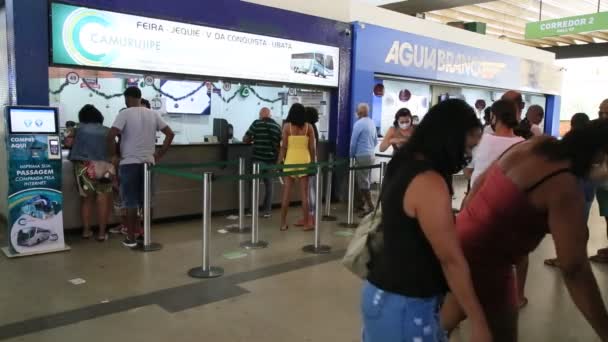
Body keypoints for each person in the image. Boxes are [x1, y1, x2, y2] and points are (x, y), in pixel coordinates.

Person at [441, 119, 608, 342]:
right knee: (485, 330)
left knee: (447, 324)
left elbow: (481, 181)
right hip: (485, 259)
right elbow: (574, 267)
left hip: (465, 240)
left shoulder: (536, 145)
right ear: (599, 157)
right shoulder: (565, 186)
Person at [362, 99, 491, 342]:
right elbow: (451, 260)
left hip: (382, 294)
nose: (467, 155)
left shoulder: (403, 163)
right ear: (450, 138)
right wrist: (479, 322)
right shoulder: (429, 181)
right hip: (405, 305)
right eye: (467, 147)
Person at [108, 87, 175, 247]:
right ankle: (146, 235)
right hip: (148, 164)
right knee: (148, 201)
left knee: (130, 202)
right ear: (140, 97)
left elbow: (110, 135)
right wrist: (159, 155)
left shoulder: (124, 113)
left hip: (129, 163)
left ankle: (131, 238)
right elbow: (170, 134)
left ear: (127, 98)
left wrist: (114, 156)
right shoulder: (153, 114)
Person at [545, 113, 594, 267]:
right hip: (588, 185)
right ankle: (580, 256)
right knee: (582, 223)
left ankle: (564, 258)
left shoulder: (569, 141)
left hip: (571, 185)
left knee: (566, 225)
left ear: (572, 124)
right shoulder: (592, 142)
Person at [67, 105, 113, 242]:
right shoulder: (107, 130)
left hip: (84, 167)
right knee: (103, 199)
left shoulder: (76, 129)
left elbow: (67, 143)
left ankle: (86, 231)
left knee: (86, 200)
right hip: (105, 167)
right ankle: (101, 233)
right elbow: (113, 149)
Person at [467, 100, 524, 187]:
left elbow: (468, 171)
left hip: (479, 195)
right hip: (508, 197)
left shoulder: (480, 140)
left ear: (493, 116)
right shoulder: (523, 144)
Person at [278, 103, 316, 231]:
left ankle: (283, 223)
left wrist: (279, 162)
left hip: (290, 161)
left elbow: (283, 147)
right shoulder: (308, 127)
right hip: (304, 161)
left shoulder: (286, 127)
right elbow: (312, 147)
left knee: (286, 194)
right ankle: (306, 224)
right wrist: (312, 162)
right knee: (304, 195)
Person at [243, 107, 282, 218]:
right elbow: (280, 145)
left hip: (257, 160)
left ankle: (251, 211)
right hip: (270, 161)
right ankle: (267, 211)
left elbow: (246, 139)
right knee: (269, 186)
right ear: (269, 115)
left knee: (254, 185)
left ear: (261, 115)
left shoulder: (257, 123)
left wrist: (250, 139)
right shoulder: (277, 127)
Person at [350, 103, 378, 216]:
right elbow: (376, 141)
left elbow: (353, 143)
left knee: (363, 183)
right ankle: (360, 205)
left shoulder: (358, 124)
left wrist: (351, 156)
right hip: (371, 155)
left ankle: (371, 207)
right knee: (365, 181)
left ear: (359, 113)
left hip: (361, 156)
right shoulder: (372, 122)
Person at [591, 99, 608, 263]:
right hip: (603, 184)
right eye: (600, 112)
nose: (602, 116)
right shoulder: (599, 130)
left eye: (606, 113)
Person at [305, 107, 320, 224]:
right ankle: (311, 214)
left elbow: (312, 147)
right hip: (312, 160)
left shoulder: (310, 128)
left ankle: (312, 215)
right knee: (310, 188)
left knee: (310, 189)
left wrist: (311, 162)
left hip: (310, 161)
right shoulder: (313, 127)